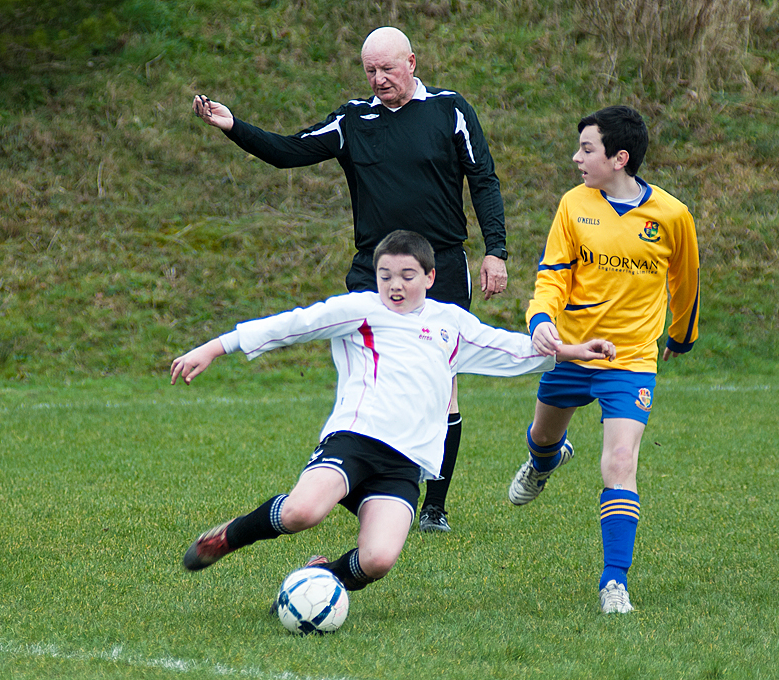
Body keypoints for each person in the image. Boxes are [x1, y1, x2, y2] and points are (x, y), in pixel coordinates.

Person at [171, 230, 615, 600]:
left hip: (405, 462)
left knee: (378, 561)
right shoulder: (359, 311)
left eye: (406, 275)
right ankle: (229, 536)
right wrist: (214, 348)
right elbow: (292, 324)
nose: (395, 285)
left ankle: (318, 583)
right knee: (302, 513)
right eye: (385, 276)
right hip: (354, 439)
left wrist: (574, 351)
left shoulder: (451, 323)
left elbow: (509, 348)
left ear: (430, 276)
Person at [191, 26, 509, 533]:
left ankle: (434, 507)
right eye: (370, 72)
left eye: (387, 69)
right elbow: (288, 151)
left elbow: (484, 179)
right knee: (366, 379)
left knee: (439, 387)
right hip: (373, 270)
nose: (379, 79)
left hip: (440, 267)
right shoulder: (352, 121)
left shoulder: (450, 109)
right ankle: (352, 484)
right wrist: (235, 126)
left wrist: (496, 251)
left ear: (411, 61)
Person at [507, 106, 700, 614]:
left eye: (586, 149)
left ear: (620, 158)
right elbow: (552, 272)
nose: (576, 158)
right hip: (571, 351)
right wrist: (541, 319)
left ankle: (614, 581)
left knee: (619, 463)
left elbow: (686, 281)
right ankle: (544, 462)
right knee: (544, 437)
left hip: (632, 360)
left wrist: (681, 334)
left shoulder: (673, 216)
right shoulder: (574, 205)